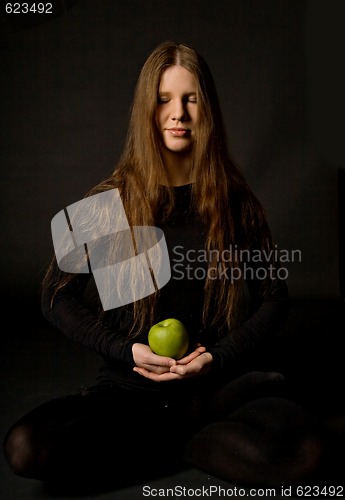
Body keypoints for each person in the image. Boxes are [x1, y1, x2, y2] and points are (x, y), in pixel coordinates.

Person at [3, 41, 324, 491]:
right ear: (146, 112)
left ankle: (176, 438)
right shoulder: (106, 202)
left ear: (206, 109)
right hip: (129, 394)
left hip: (216, 390)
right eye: (164, 99)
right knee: (26, 447)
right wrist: (126, 351)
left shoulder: (235, 202)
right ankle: (177, 437)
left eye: (190, 98)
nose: (178, 113)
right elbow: (54, 298)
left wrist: (218, 357)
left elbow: (274, 299)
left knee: (307, 454)